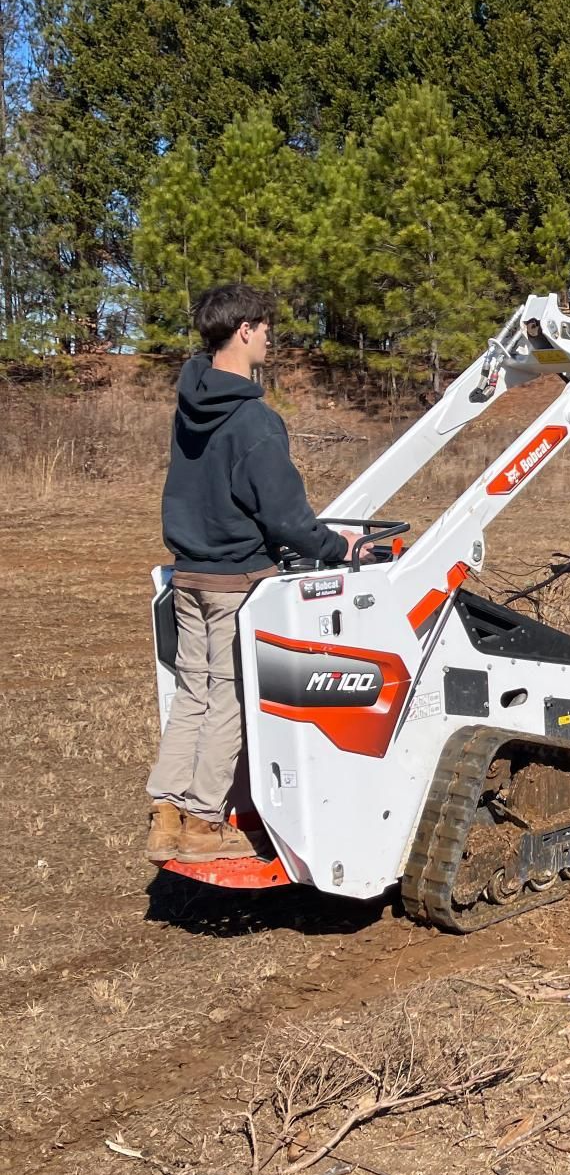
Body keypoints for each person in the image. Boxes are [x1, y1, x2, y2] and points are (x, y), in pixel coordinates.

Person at [146, 283, 351, 865]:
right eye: (264, 328)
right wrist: (341, 550)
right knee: (228, 699)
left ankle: (165, 812)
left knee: (192, 693)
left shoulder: (189, 406)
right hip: (236, 584)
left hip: (189, 576)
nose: (269, 337)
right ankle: (205, 823)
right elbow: (285, 519)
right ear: (244, 330)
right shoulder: (255, 420)